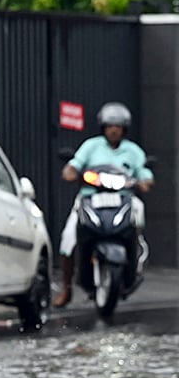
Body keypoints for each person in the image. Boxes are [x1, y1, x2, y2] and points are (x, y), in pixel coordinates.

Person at [55, 101, 153, 307]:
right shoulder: (91, 146)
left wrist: (144, 181)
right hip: (90, 197)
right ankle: (67, 288)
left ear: (124, 129)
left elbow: (145, 174)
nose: (114, 130)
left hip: (123, 197)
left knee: (138, 213)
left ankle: (136, 254)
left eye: (118, 126)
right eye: (110, 126)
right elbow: (73, 167)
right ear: (103, 128)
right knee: (68, 238)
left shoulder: (133, 151)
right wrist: (72, 172)